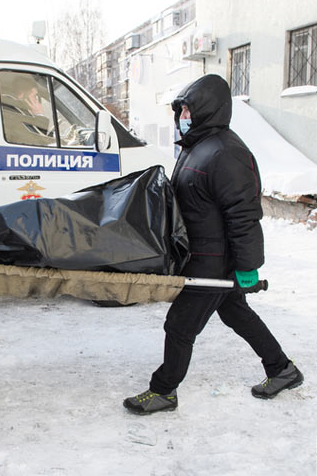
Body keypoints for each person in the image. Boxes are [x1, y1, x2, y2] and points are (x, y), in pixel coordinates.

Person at [123, 74, 303, 415]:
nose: (184, 115)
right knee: (236, 313)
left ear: (208, 109)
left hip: (215, 259)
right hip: (201, 254)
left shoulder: (226, 153)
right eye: (182, 110)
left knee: (179, 325)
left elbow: (244, 215)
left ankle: (164, 391)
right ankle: (282, 369)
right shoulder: (198, 148)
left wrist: (248, 265)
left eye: (189, 108)